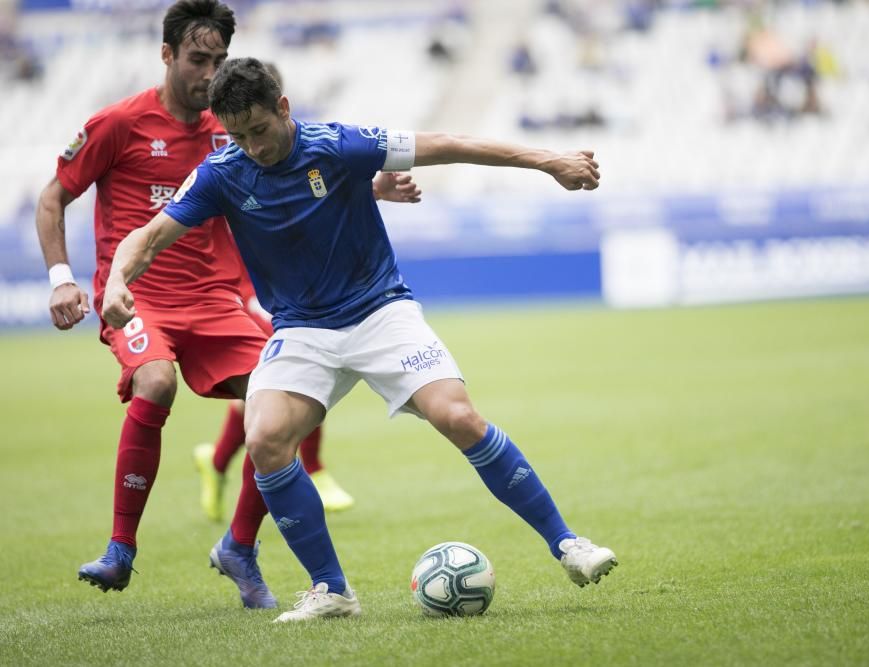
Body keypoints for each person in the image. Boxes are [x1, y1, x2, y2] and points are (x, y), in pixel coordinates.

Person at [102, 57, 618, 622]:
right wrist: (116, 282)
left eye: (260, 130)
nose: (253, 146)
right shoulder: (222, 173)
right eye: (239, 136)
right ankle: (332, 591)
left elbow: (446, 143)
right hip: (302, 330)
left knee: (459, 417)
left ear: (283, 108)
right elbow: (147, 237)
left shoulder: (338, 145)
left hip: (380, 313)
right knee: (267, 437)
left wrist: (550, 161)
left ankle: (569, 545)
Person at [34, 0, 419, 610]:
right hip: (142, 300)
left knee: (285, 410)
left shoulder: (236, 124)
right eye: (196, 59)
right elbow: (53, 197)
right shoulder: (117, 124)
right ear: (167, 55)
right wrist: (62, 277)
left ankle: (239, 545)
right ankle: (120, 549)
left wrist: (374, 186)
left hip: (215, 299)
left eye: (217, 61)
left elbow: (307, 169)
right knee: (156, 382)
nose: (208, 74)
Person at [192, 60, 364, 522]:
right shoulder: (224, 162)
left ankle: (219, 459)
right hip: (243, 284)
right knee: (294, 372)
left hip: (281, 279)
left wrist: (380, 188)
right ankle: (314, 467)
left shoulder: (290, 149)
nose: (257, 140)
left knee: (268, 387)